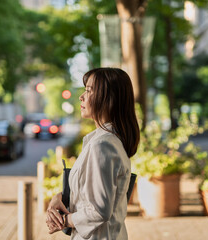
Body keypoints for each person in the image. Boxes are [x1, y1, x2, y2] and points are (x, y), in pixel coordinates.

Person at [45, 67, 140, 239]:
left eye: (89, 90)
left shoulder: (103, 145)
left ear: (109, 99)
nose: (81, 96)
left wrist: (64, 220)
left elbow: (99, 210)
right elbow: (91, 194)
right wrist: (59, 198)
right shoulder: (102, 141)